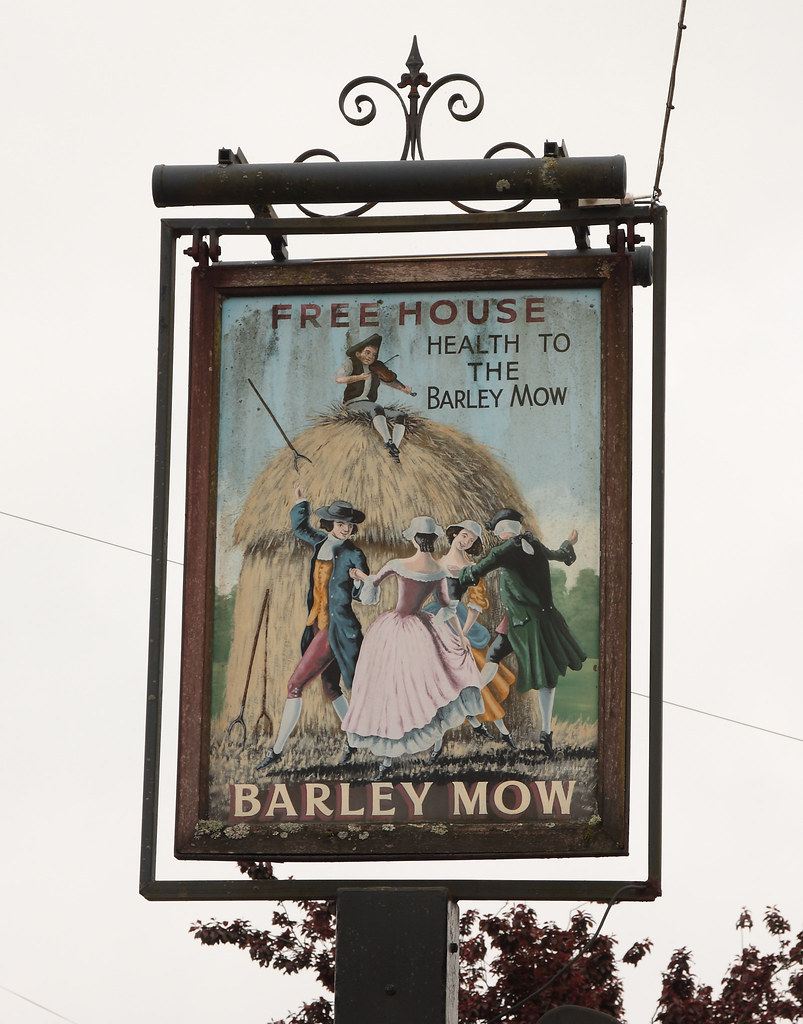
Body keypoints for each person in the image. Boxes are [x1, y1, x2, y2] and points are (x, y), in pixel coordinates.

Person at [341, 516, 484, 780]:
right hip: (421, 630)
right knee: (413, 690)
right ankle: (389, 757)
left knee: (389, 690)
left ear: (415, 539)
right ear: (432, 540)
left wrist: (360, 578)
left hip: (393, 630)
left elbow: (371, 589)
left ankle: (386, 760)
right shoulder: (439, 570)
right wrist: (458, 636)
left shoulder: (398, 564)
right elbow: (446, 607)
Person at [255, 484, 369, 770]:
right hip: (317, 627)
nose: (345, 529)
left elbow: (364, 595)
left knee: (295, 684)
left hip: (339, 630)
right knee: (331, 688)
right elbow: (299, 528)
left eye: (349, 525)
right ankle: (354, 742)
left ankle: (277, 750)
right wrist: (301, 500)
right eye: (341, 524)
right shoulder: (320, 541)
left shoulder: (355, 554)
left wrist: (359, 581)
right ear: (331, 523)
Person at [459, 508, 586, 758]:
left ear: (499, 531)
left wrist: (457, 571)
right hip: (542, 619)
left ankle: (468, 699)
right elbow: (559, 554)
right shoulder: (534, 544)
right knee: (541, 674)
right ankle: (547, 731)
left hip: (522, 622)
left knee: (498, 659)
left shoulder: (504, 550)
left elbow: (474, 573)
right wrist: (569, 543)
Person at [426, 520, 517, 759]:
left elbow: (476, 606)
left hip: (461, 623)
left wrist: (463, 634)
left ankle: (502, 732)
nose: (465, 541)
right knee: (438, 684)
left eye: (471, 540)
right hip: (435, 621)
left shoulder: (473, 567)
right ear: (455, 534)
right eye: (463, 536)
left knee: (474, 678)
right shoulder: (436, 564)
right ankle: (437, 745)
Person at [335, 333, 413, 463]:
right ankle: (387, 441)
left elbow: (389, 381)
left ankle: (394, 448)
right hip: (353, 404)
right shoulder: (351, 363)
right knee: (376, 408)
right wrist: (358, 377)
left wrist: (404, 389)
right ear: (359, 353)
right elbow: (339, 378)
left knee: (400, 415)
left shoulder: (376, 368)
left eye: (373, 355)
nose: (370, 357)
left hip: (369, 405)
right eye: (367, 352)